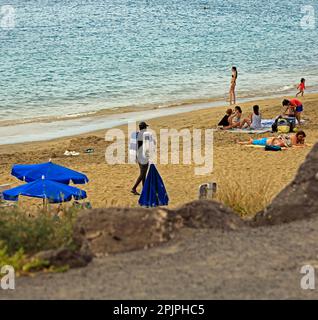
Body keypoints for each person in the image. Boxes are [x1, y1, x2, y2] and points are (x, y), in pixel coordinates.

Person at [131, 121, 150, 195]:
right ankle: (134, 188)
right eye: (146, 127)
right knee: (142, 174)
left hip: (138, 156)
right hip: (142, 157)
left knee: (143, 174)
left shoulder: (137, 134)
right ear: (144, 128)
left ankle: (144, 189)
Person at [238, 130, 307, 147]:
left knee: (260, 140)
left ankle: (251, 140)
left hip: (270, 140)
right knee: (255, 142)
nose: (301, 138)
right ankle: (241, 142)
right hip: (269, 141)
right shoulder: (294, 137)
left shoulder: (297, 138)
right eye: (300, 137)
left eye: (302, 137)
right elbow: (295, 145)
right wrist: (302, 145)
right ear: (297, 135)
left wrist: (302, 141)